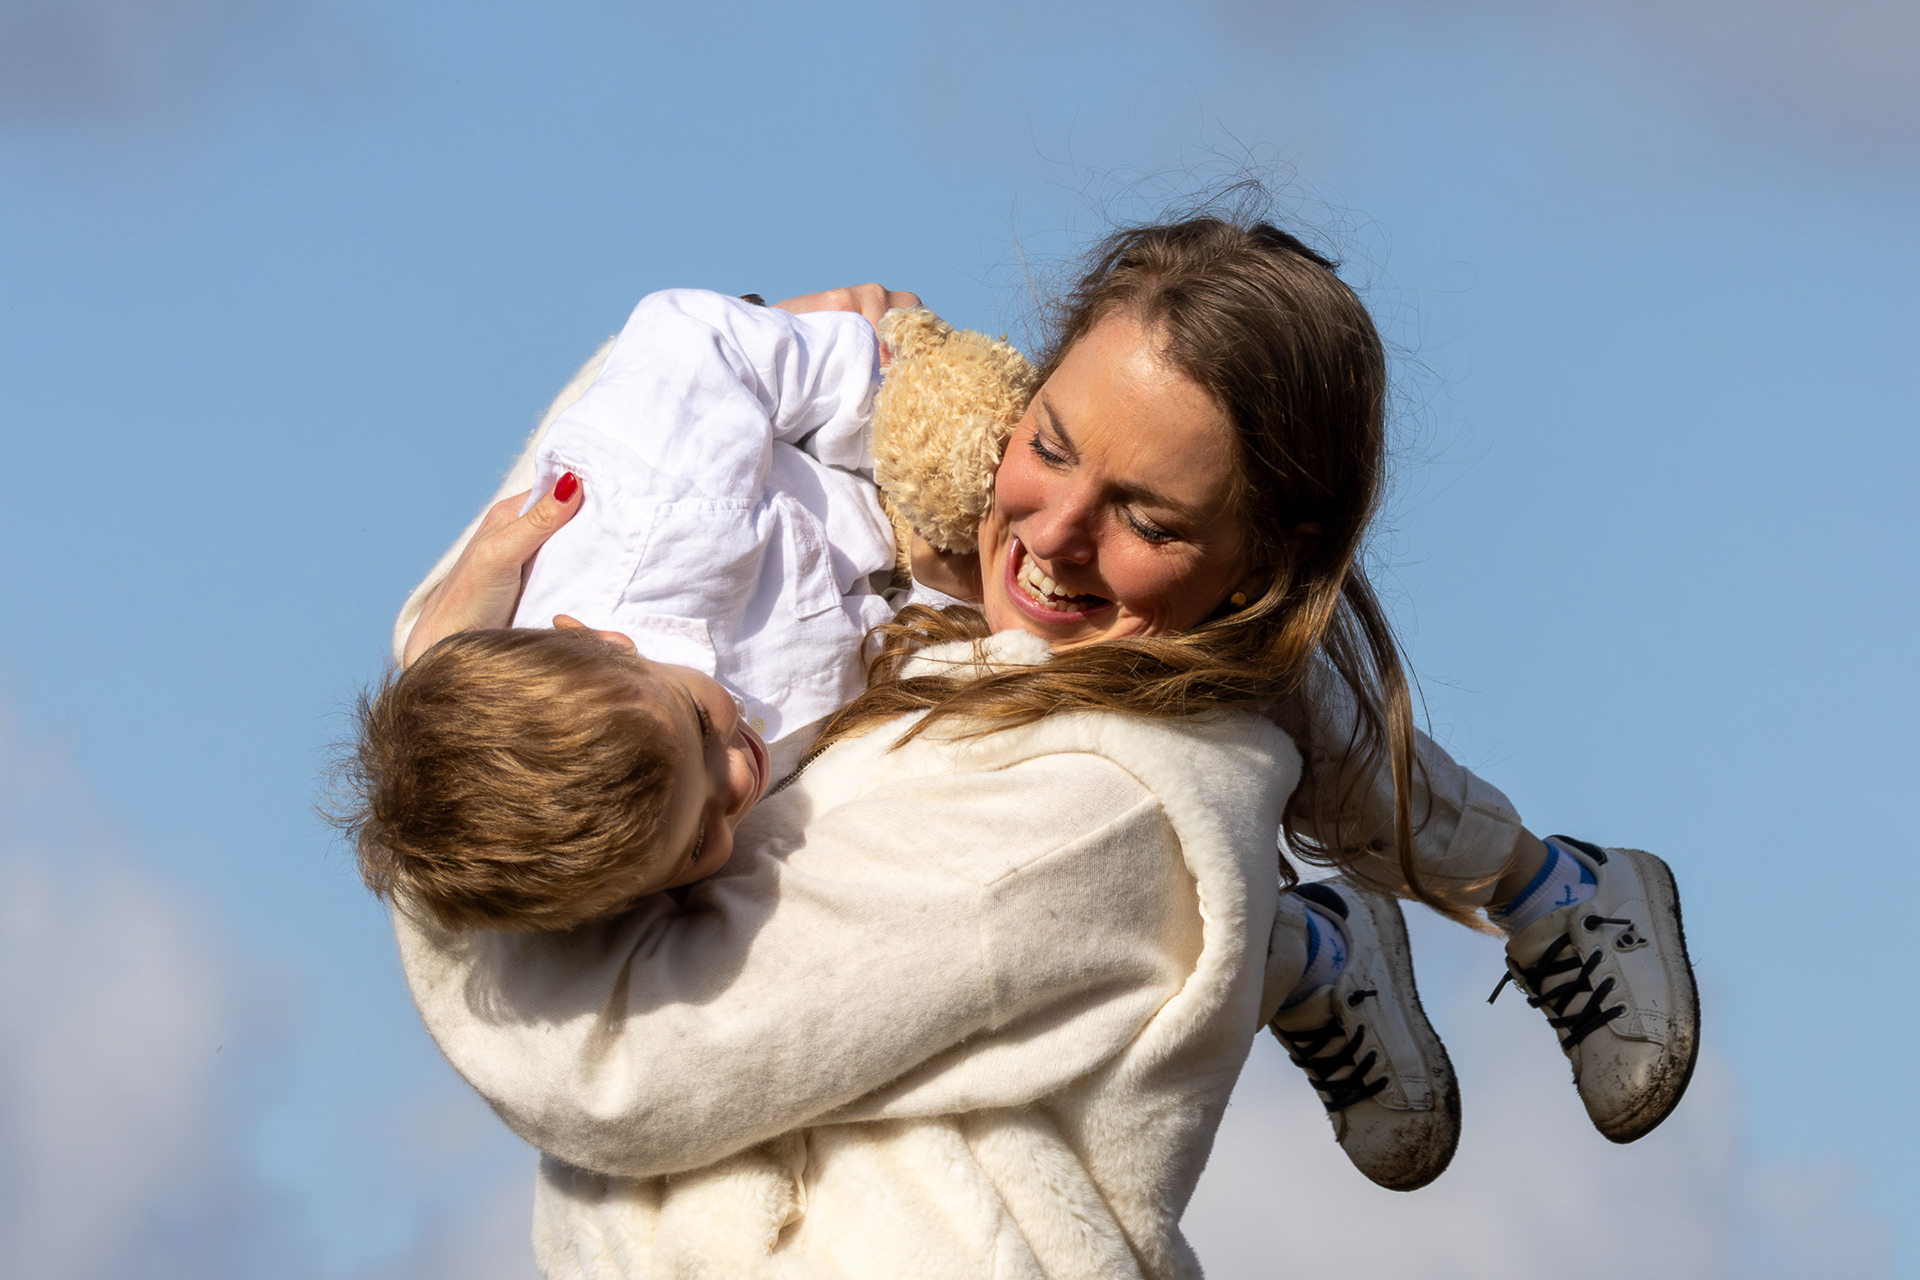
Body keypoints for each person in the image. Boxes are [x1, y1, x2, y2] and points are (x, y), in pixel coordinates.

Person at [383, 217, 1697, 1276]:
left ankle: (1544, 896)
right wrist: (447, 690)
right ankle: (1302, 949)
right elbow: (526, 744)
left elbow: (609, 1056)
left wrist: (830, 369)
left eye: (1147, 515)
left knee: (1337, 732)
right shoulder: (898, 571)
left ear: (1260, 558)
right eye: (1049, 444)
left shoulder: (1101, 799)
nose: (1054, 531)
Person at [348, 286, 953, 931]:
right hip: (920, 575)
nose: (740, 780)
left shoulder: (646, 515)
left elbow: (688, 339)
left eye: (700, 725)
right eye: (696, 844)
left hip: (879, 451)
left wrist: (892, 430)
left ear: (601, 641)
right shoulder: (628, 837)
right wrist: (944, 593)